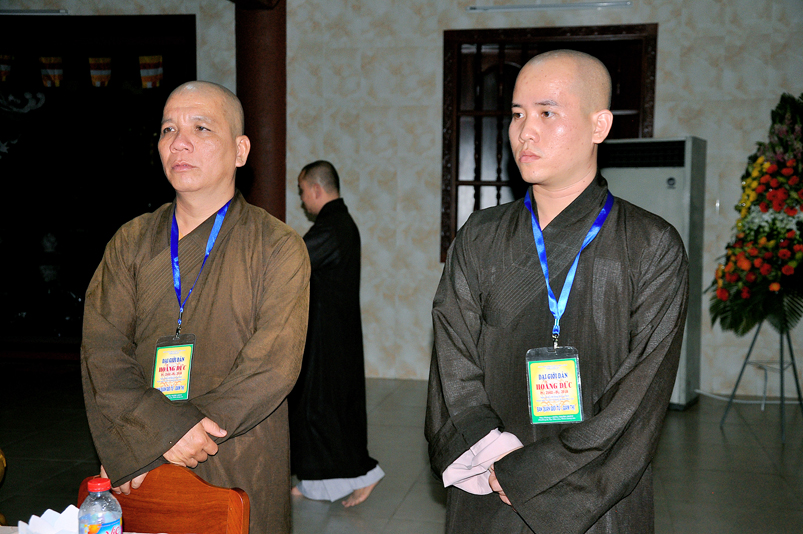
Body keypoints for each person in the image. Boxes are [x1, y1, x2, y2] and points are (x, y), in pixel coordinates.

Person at [425, 50, 689, 534]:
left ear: (599, 125)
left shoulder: (651, 245)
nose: (525, 132)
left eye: (547, 113)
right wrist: (492, 453)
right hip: (488, 480)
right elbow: (451, 362)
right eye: (517, 114)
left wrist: (533, 473)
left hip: (596, 499)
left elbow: (639, 402)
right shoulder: (480, 237)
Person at [81, 81, 310, 534]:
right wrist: (159, 434)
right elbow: (102, 352)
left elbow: (272, 366)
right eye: (168, 129)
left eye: (201, 128)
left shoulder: (277, 246)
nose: (179, 142)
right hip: (139, 455)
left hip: (235, 450)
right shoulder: (130, 242)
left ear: (240, 151)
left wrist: (178, 433)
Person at [289, 160, 384, 507]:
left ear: (316, 189)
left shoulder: (332, 227)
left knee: (322, 410)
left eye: (302, 191)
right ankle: (316, 483)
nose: (302, 200)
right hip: (329, 333)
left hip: (328, 337)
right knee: (322, 409)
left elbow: (293, 262)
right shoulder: (337, 223)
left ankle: (365, 474)